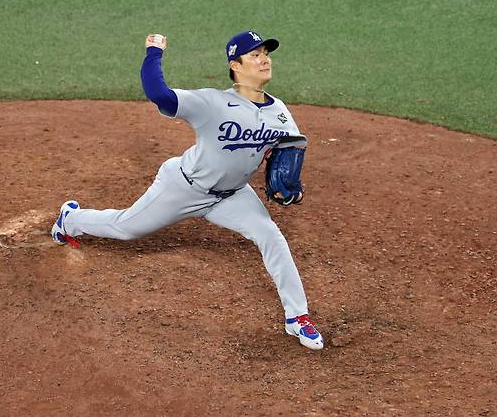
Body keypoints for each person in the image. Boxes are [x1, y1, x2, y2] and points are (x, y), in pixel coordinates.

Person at [51, 30, 324, 350]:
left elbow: (291, 145)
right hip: (184, 187)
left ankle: (297, 317)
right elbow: (160, 95)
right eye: (255, 54)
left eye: (266, 53)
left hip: (233, 195)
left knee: (271, 237)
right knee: (125, 228)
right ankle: (69, 219)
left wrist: (290, 178)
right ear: (235, 65)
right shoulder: (213, 102)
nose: (265, 59)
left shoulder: (279, 111)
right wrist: (154, 52)